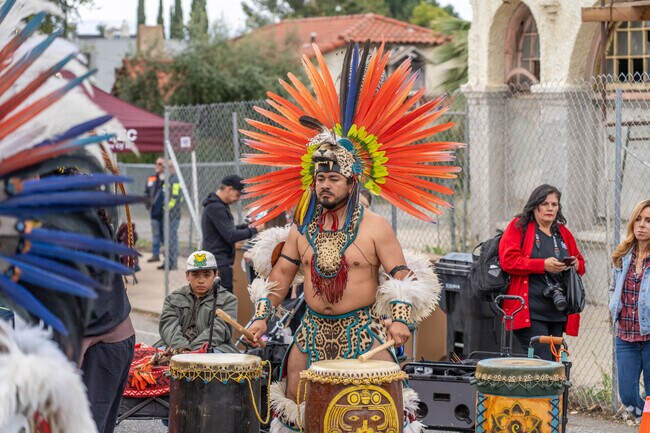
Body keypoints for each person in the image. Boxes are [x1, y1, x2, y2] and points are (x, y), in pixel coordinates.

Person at [240, 42, 460, 433]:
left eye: (332, 178)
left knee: (375, 415)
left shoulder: (375, 227)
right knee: (297, 410)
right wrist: (260, 317)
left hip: (363, 335)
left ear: (351, 181)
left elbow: (401, 278)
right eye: (319, 178)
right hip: (309, 336)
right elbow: (278, 282)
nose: (324, 186)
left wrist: (401, 320)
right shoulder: (301, 228)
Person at [499, 184, 585, 360]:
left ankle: (551, 389)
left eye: (554, 204)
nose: (550, 208)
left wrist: (575, 264)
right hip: (529, 310)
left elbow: (581, 263)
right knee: (542, 361)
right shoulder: (520, 226)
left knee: (554, 363)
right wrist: (542, 265)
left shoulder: (562, 233)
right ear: (535, 205)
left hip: (557, 310)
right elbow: (508, 261)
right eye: (545, 204)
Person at [609, 199, 650, 422]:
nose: (642, 225)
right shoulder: (623, 255)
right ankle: (646, 421)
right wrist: (612, 305)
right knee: (627, 395)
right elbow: (613, 286)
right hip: (626, 335)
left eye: (649, 221)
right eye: (638, 219)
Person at [158, 250, 239, 352]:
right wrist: (183, 348)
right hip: (176, 347)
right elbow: (169, 327)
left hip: (213, 347)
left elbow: (219, 330)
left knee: (216, 361)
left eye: (207, 275)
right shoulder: (173, 298)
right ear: (187, 275)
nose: (201, 280)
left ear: (215, 274)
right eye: (195, 275)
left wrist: (194, 352)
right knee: (153, 358)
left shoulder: (228, 300)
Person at [201, 174, 264, 292]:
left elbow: (227, 230)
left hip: (217, 262)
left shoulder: (217, 205)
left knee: (220, 300)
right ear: (229, 189)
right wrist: (256, 229)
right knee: (224, 302)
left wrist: (249, 226)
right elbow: (230, 235)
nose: (238, 199)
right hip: (219, 263)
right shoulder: (216, 207)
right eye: (237, 195)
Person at [159, 160, 183, 270]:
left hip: (173, 215)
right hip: (168, 215)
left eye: (166, 167)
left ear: (172, 167)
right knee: (167, 239)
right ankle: (168, 262)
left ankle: (173, 263)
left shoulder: (176, 180)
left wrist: (165, 208)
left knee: (172, 239)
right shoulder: (169, 179)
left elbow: (175, 198)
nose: (164, 169)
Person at [145, 157, 165, 262]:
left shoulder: (167, 179)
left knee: (165, 237)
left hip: (165, 214)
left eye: (160, 164)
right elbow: (146, 193)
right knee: (155, 236)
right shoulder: (151, 178)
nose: (157, 165)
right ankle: (155, 255)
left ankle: (168, 258)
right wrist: (148, 205)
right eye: (156, 163)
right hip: (154, 213)